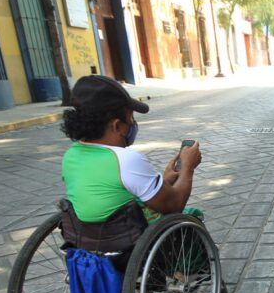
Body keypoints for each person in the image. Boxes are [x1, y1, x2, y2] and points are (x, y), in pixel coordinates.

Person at [61, 75, 201, 230]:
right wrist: (188, 167)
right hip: (130, 238)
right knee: (193, 216)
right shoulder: (126, 160)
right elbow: (173, 205)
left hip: (87, 238)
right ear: (116, 126)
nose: (133, 124)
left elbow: (111, 193)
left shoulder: (70, 156)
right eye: (131, 119)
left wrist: (165, 180)